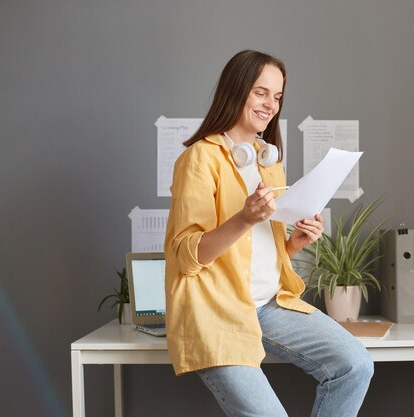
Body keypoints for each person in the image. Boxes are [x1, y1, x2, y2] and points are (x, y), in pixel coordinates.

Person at [165, 49, 373, 417]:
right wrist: (243, 218)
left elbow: (252, 255)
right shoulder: (198, 159)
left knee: (355, 364)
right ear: (236, 89)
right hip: (218, 312)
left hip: (268, 304)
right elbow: (186, 254)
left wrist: (294, 243)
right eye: (261, 92)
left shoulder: (268, 160)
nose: (270, 104)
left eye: (277, 96)